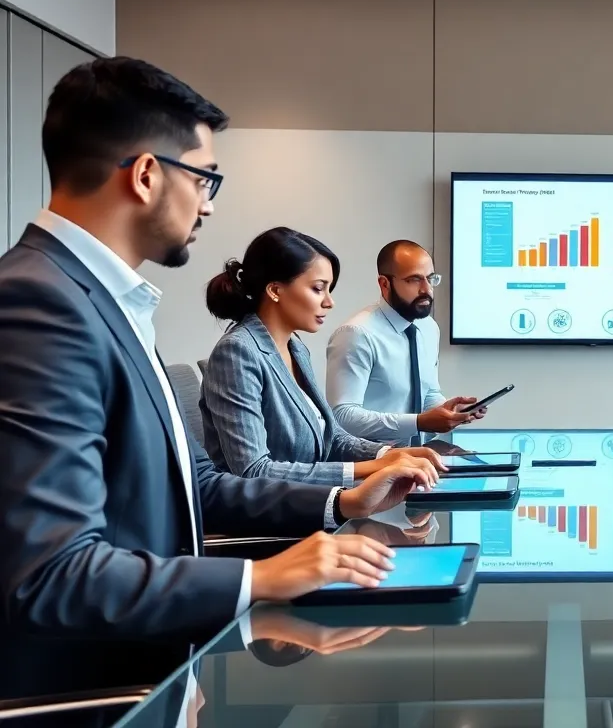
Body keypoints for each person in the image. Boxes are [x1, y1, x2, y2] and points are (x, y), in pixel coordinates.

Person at [0, 57, 436, 701]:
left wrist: (345, 503)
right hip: (99, 693)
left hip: (160, 666)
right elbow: (50, 575)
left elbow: (196, 486)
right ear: (146, 175)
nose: (208, 203)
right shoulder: (40, 304)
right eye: (204, 178)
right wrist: (258, 579)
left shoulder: (104, 302)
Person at [200, 227, 444, 487]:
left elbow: (332, 436)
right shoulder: (237, 352)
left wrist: (388, 454)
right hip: (267, 510)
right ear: (275, 290)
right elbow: (253, 470)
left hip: (307, 497)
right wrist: (369, 468)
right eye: (318, 289)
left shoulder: (295, 347)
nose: (329, 302)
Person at [326, 240, 484, 445]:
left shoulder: (428, 328)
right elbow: (342, 416)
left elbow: (428, 394)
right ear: (384, 284)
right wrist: (418, 422)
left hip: (419, 456)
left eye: (431, 278)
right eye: (414, 280)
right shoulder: (356, 334)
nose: (426, 289)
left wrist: (449, 411)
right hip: (372, 460)